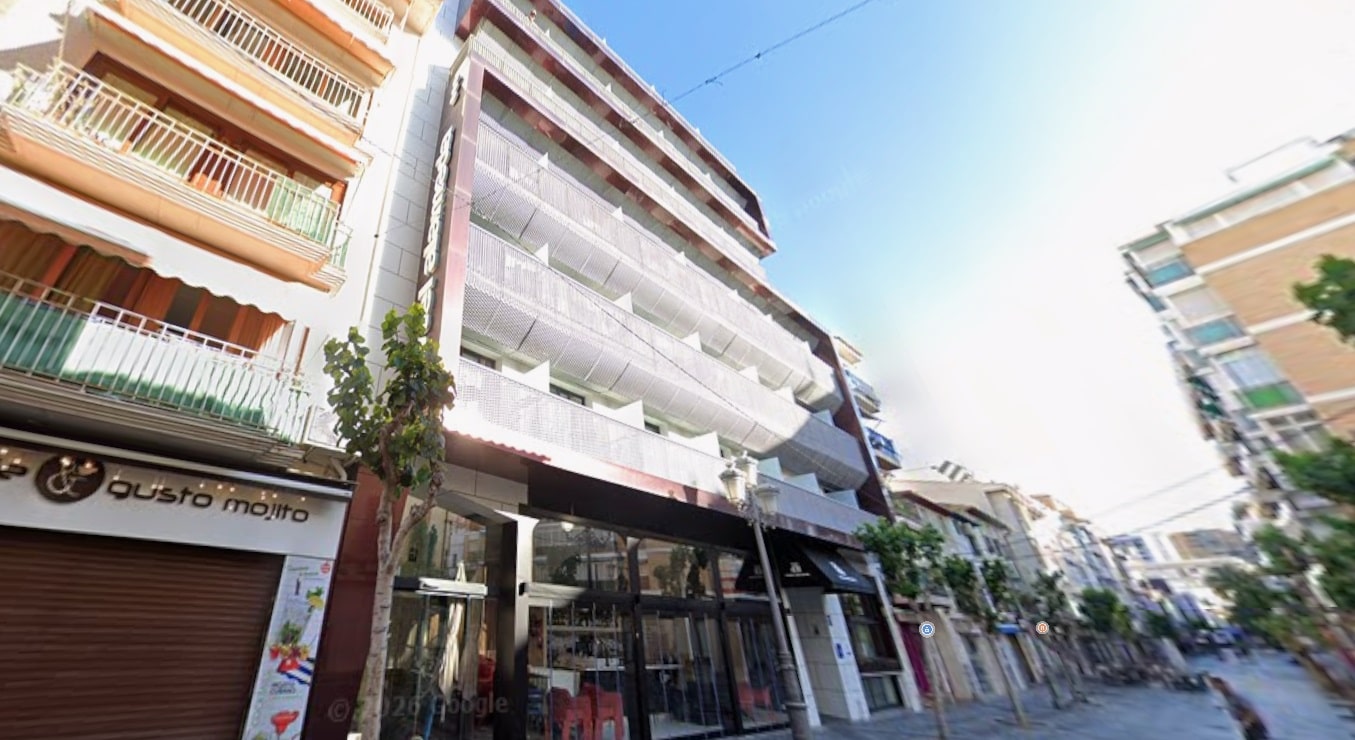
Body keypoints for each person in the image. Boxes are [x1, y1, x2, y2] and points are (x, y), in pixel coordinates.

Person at [1207, 675, 1269, 740]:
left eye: (1214, 685)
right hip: (1249, 728)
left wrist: (1245, 724)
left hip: (1254, 728)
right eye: (1212, 686)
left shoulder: (1234, 697)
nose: (1213, 688)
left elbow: (1251, 712)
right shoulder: (1226, 697)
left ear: (1221, 684)